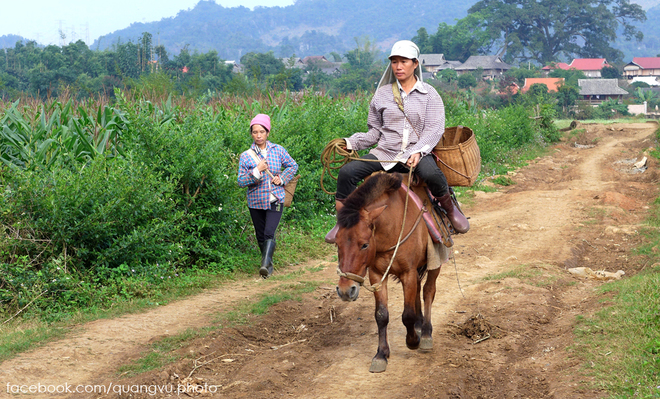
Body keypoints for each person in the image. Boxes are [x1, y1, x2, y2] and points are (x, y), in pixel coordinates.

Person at [325, 40, 469, 244]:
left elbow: (434, 130)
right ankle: (344, 220)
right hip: (385, 153)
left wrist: (418, 151)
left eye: (404, 61)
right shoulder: (382, 94)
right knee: (347, 173)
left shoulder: (430, 95)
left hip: (418, 154)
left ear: (415, 64)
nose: (398, 66)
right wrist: (350, 143)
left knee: (431, 174)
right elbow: (374, 132)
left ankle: (451, 210)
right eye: (394, 62)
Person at [238, 114, 298, 278]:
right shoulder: (246, 156)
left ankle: (265, 266)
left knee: (269, 232)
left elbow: (293, 165)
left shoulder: (277, 150)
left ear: (267, 133)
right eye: (255, 132)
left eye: (262, 132)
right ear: (251, 134)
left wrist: (282, 178)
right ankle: (268, 265)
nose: (258, 135)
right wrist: (257, 170)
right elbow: (241, 181)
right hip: (255, 201)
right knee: (260, 235)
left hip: (275, 198)